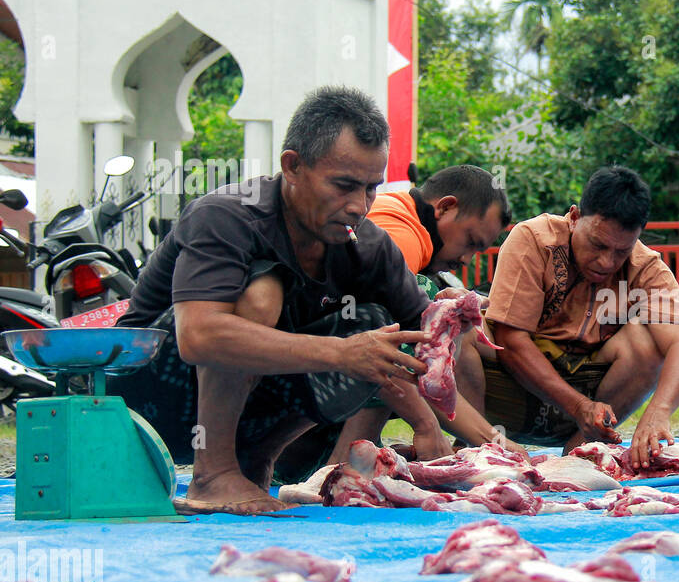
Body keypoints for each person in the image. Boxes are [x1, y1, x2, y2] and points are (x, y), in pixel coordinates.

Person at [110, 86, 453, 514]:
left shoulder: (368, 245)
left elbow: (426, 336)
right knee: (261, 293)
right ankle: (212, 474)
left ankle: (253, 467)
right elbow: (197, 337)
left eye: (370, 188)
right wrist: (342, 353)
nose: (359, 205)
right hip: (147, 404)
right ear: (292, 166)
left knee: (375, 322)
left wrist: (485, 449)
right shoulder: (226, 216)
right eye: (344, 185)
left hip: (251, 412)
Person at [457, 166, 679, 470]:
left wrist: (658, 413)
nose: (606, 262)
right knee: (457, 324)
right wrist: (579, 406)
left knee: (651, 342)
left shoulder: (647, 268)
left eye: (621, 251)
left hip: (584, 410)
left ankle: (579, 455)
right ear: (573, 217)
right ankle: (476, 448)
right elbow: (511, 341)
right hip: (510, 393)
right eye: (597, 245)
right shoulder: (533, 239)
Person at [302, 165, 519, 466]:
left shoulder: (396, 215)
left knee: (444, 308)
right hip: (283, 394)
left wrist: (492, 442)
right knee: (412, 315)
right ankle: (344, 466)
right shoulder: (402, 235)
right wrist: (428, 425)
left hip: (306, 385)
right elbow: (378, 341)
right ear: (445, 207)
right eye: (470, 241)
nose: (465, 259)